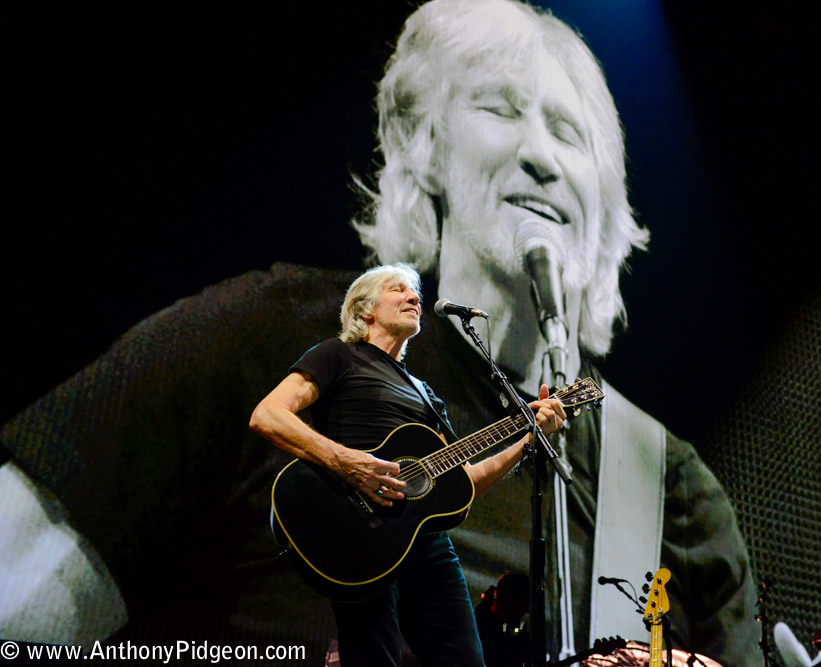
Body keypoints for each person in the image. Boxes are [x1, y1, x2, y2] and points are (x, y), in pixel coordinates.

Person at [1, 0, 756, 664]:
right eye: (499, 109)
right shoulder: (273, 333)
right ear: (427, 146)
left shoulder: (667, 485)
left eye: (569, 133)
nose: (540, 154)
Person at [249, 263, 565, 666]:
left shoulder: (426, 395)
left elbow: (461, 483)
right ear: (365, 310)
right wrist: (346, 462)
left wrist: (527, 442)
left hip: (425, 542)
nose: (414, 297)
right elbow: (268, 414)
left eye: (415, 291)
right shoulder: (338, 356)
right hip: (355, 530)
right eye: (399, 290)